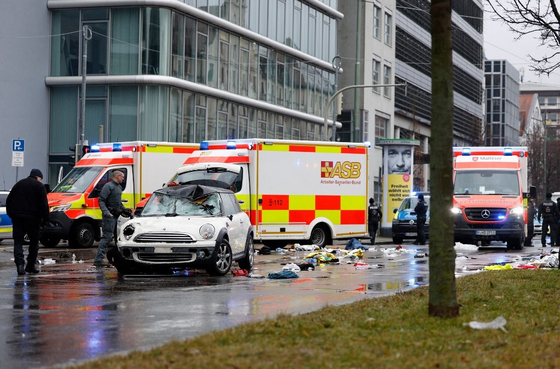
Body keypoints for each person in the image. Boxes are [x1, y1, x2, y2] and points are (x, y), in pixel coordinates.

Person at [6, 168, 49, 275]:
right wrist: (45, 219)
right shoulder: (39, 186)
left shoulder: (19, 184)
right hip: (33, 219)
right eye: (40, 179)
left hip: (17, 218)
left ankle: (20, 265)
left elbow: (9, 200)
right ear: (38, 177)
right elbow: (44, 204)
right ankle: (30, 265)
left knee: (18, 242)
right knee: (34, 242)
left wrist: (11, 214)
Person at [94, 170, 131, 267]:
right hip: (109, 217)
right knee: (106, 238)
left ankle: (117, 259)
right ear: (117, 176)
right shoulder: (108, 186)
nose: (123, 179)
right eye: (122, 177)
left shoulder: (118, 187)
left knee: (116, 239)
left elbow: (118, 203)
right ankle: (98, 260)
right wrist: (106, 212)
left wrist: (124, 210)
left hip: (115, 216)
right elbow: (101, 200)